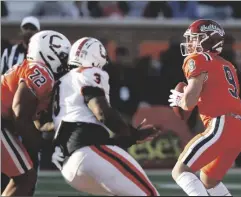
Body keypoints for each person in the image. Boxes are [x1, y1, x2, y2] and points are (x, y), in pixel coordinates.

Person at [50, 37, 160, 196]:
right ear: (97, 56)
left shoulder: (62, 82)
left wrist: (132, 136)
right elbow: (102, 113)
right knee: (149, 193)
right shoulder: (88, 72)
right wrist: (130, 132)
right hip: (87, 151)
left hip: (67, 164)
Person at [168, 19, 241, 196]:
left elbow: (189, 101)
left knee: (180, 170)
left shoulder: (197, 58)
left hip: (222, 124)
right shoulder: (227, 64)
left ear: (208, 40)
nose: (189, 43)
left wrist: (180, 100)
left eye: (194, 38)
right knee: (209, 181)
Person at [1, 30, 71, 196]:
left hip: (5, 124)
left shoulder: (37, 71)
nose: (65, 62)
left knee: (22, 176)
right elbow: (20, 112)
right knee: (26, 176)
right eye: (62, 56)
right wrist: (37, 144)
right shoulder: (41, 71)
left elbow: (35, 121)